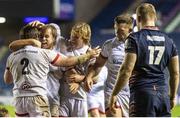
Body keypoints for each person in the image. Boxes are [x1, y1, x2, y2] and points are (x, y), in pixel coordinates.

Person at [4, 25, 101, 117]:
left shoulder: (12, 56)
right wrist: (88, 55)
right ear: (37, 38)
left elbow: (7, 80)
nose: (43, 39)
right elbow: (68, 61)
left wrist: (79, 80)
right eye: (41, 36)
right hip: (38, 97)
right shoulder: (45, 53)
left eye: (46, 36)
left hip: (21, 98)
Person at [109, 3, 179, 117]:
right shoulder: (169, 41)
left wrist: (114, 94)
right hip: (163, 94)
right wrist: (172, 96)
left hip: (142, 94)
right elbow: (175, 73)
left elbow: (126, 71)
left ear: (139, 18)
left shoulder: (134, 38)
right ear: (155, 18)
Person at [84, 14, 133, 117]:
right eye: (116, 30)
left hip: (132, 92)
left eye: (122, 31)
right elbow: (98, 64)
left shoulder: (137, 45)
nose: (118, 33)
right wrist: (89, 76)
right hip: (112, 91)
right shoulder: (109, 45)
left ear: (130, 29)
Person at [59, 22, 95, 117]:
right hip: (63, 97)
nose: (72, 39)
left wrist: (80, 79)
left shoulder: (91, 53)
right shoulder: (65, 46)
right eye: (71, 36)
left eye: (76, 37)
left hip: (80, 98)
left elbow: (95, 78)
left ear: (85, 38)